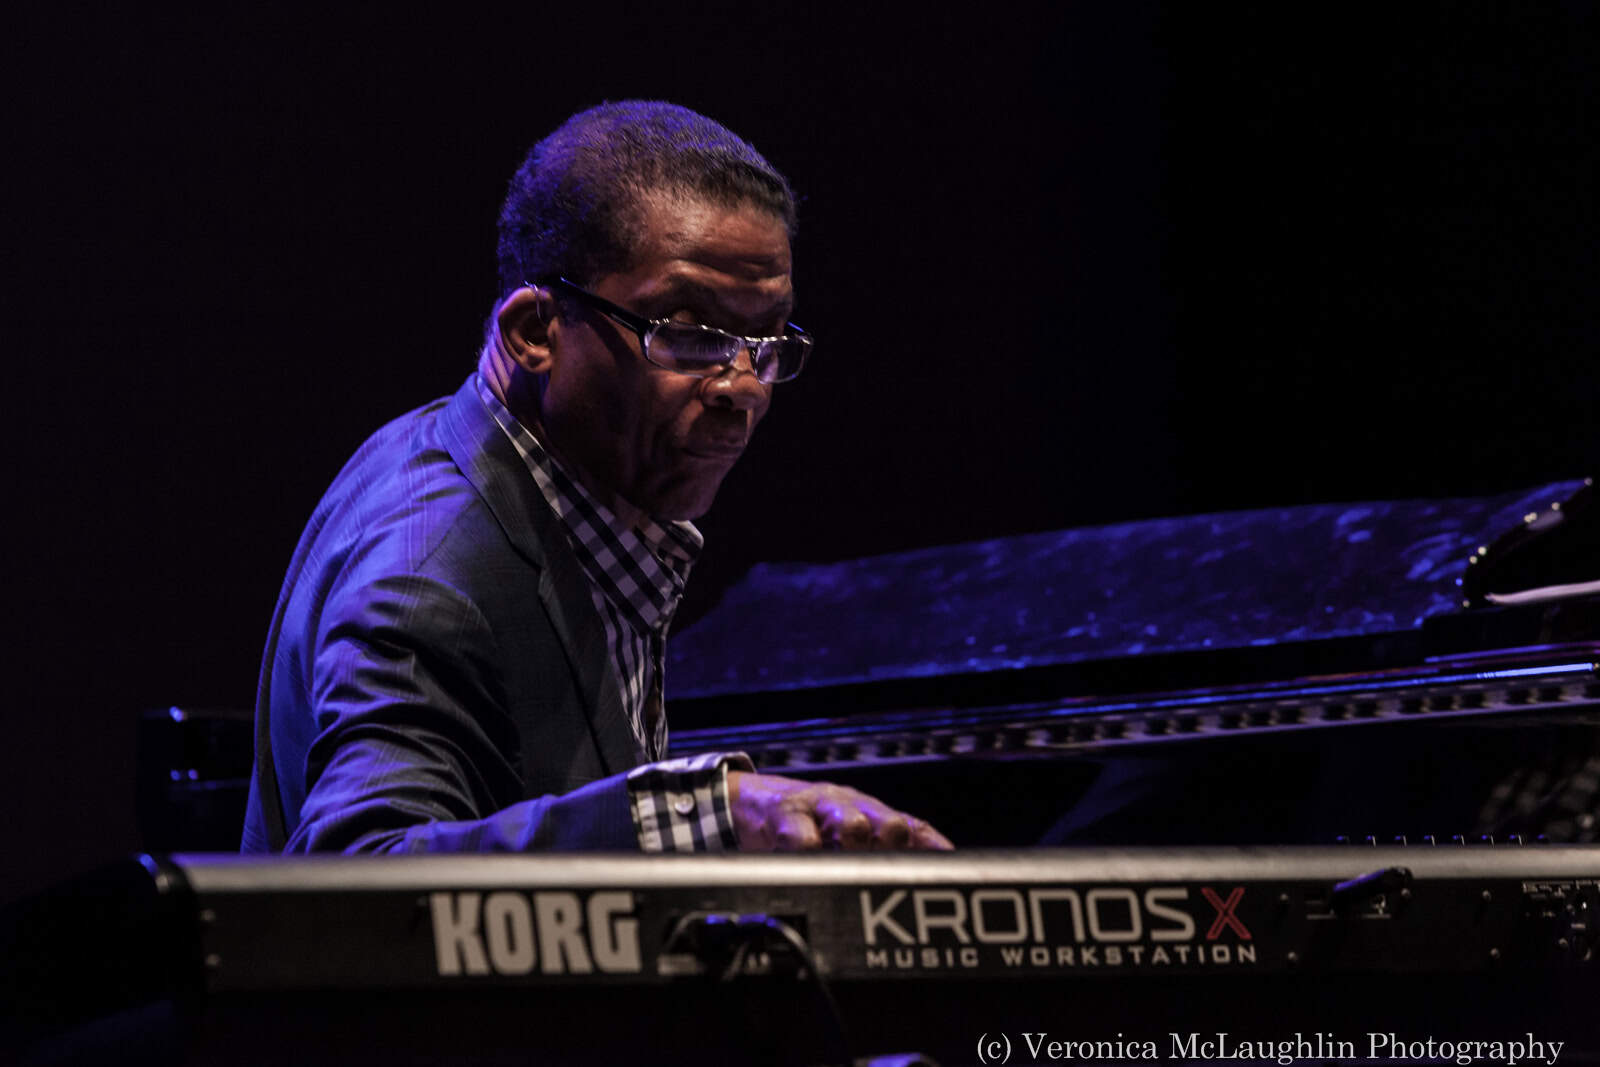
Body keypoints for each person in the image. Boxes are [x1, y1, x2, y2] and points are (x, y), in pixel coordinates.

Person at [242, 101, 951, 856]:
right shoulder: (431, 571)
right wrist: (698, 816)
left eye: (767, 340)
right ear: (534, 333)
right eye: (687, 333)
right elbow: (359, 872)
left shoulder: (560, 486)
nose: (743, 386)